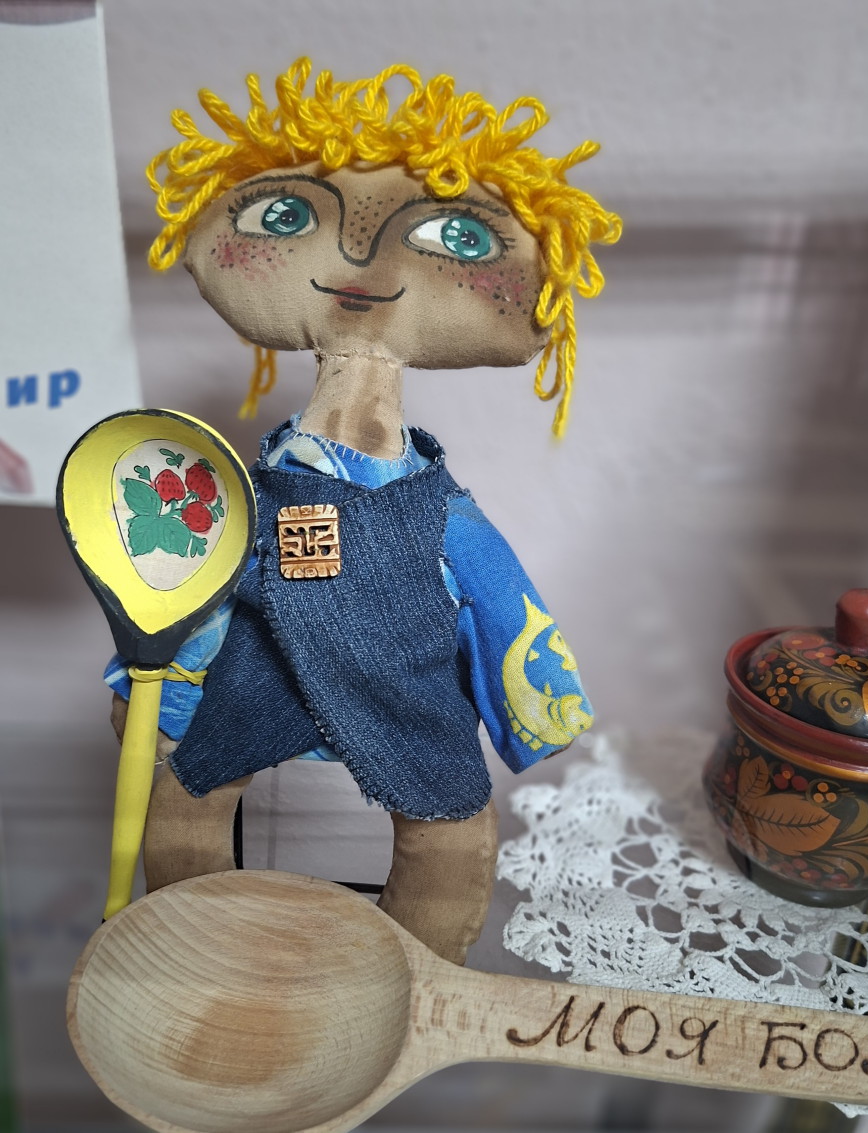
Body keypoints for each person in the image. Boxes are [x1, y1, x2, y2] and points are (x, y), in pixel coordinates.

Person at [108, 57, 620, 964]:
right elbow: (204, 580)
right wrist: (158, 684)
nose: (360, 262)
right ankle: (195, 958)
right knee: (184, 808)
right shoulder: (252, 497)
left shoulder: (439, 512)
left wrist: (536, 702)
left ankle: (415, 984)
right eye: (286, 216)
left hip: (407, 691)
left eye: (456, 235)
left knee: (449, 844)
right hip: (259, 671)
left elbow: (495, 591)